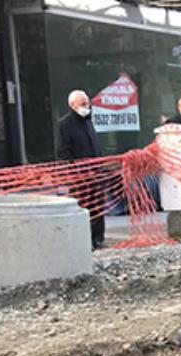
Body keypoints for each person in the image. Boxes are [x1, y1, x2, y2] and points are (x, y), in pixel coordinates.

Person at [56, 90, 106, 249]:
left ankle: (98, 238)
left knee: (98, 206)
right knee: (85, 208)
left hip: (96, 173)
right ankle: (86, 240)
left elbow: (95, 146)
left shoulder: (88, 121)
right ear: (72, 105)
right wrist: (73, 172)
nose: (87, 106)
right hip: (80, 176)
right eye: (83, 103)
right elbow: (63, 152)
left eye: (88, 103)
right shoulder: (65, 125)